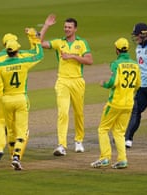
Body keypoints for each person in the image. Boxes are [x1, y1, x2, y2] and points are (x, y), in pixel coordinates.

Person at [0, 34, 43, 170]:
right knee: (21, 130)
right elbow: (39, 55)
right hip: (21, 98)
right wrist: (35, 39)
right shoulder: (23, 62)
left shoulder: (0, 65)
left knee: (10, 130)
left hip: (5, 100)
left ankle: (11, 155)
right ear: (17, 50)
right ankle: (17, 156)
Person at [39, 14, 93, 156]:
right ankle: (61, 145)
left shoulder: (82, 43)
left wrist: (73, 56)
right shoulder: (59, 42)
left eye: (69, 27)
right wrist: (46, 26)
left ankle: (78, 141)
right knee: (62, 113)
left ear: (75, 29)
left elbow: (89, 60)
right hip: (62, 81)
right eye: (65, 27)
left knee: (78, 113)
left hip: (77, 81)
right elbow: (39, 43)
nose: (67, 29)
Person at [90, 38, 141, 169]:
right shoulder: (135, 64)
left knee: (103, 129)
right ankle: (122, 159)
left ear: (116, 50)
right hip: (129, 103)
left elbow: (113, 82)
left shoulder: (116, 64)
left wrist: (104, 84)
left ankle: (105, 158)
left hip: (115, 103)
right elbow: (138, 84)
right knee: (119, 132)